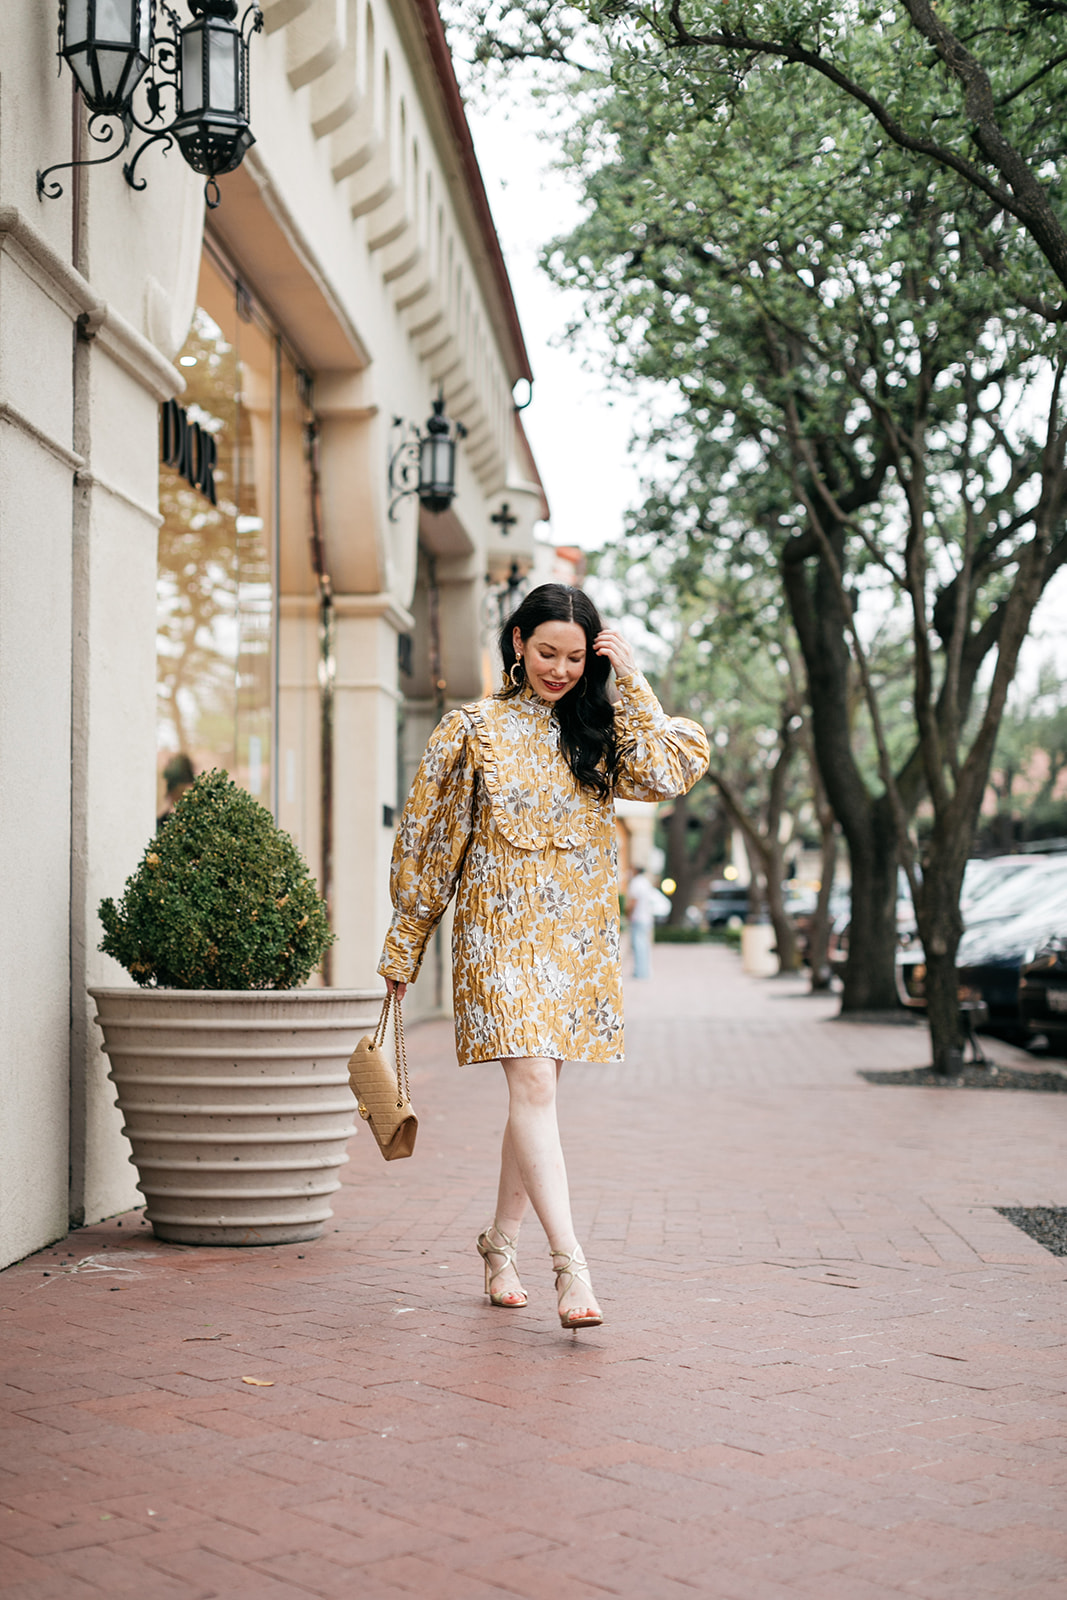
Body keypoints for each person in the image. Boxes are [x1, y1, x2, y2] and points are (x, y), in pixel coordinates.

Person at [378, 584, 709, 1330]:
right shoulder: (471, 730)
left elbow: (668, 772)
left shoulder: (598, 734)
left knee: (535, 1098)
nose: (558, 669)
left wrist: (629, 679)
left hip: (574, 943)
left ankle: (499, 1244)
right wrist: (403, 946)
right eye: (545, 653)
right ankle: (572, 1268)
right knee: (532, 1086)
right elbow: (430, 847)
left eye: (573, 657)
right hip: (494, 936)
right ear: (517, 642)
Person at [625, 867, 658, 980]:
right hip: (646, 918)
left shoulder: (636, 883)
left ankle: (639, 972)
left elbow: (633, 901)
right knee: (644, 946)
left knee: (638, 945)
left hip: (638, 918)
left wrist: (628, 914)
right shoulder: (645, 882)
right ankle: (644, 971)